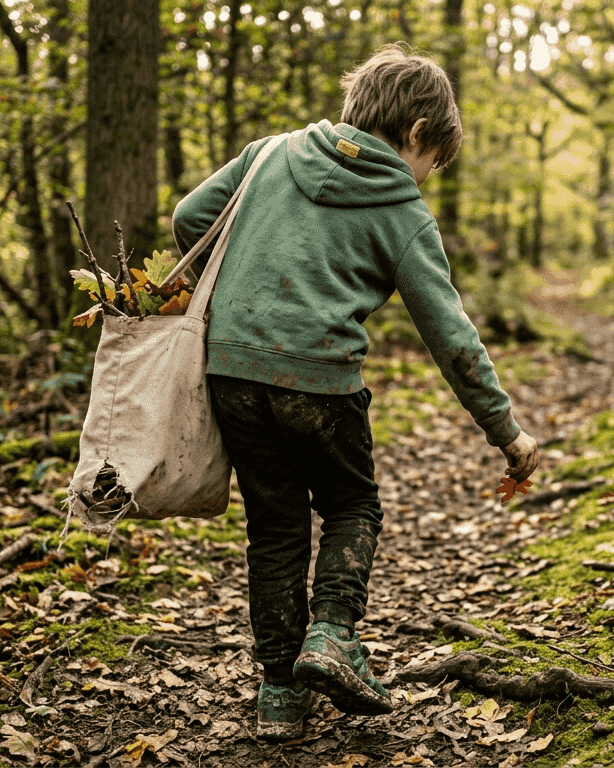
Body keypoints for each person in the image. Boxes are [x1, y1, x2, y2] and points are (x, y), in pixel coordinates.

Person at [170, 43, 540, 742]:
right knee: (350, 503)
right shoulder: (402, 211)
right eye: (433, 162)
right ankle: (333, 634)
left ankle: (278, 693)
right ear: (417, 135)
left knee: (273, 527)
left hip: (232, 373)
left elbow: (191, 218)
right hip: (321, 383)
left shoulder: (270, 154)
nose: (426, 177)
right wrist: (507, 432)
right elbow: (452, 338)